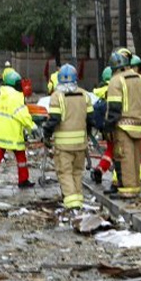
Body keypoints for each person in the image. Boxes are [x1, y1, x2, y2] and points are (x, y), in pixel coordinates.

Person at [43, 65, 94, 211]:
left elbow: (54, 119)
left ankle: (72, 203)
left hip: (63, 145)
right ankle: (78, 198)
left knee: (65, 172)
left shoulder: (56, 97)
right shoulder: (84, 95)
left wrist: (46, 135)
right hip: (81, 144)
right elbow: (90, 119)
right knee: (77, 172)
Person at [0, 71, 37, 188]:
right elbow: (23, 115)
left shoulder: (0, 97)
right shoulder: (16, 98)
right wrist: (32, 127)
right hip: (12, 133)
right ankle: (23, 180)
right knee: (21, 157)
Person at [104, 51, 141, 199]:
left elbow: (114, 108)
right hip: (139, 123)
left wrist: (108, 128)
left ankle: (128, 190)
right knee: (136, 157)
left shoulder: (116, 81)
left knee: (124, 157)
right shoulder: (139, 78)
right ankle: (135, 186)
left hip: (123, 125)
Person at [91, 67, 114, 186]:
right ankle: (118, 178)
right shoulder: (117, 86)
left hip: (105, 127)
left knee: (111, 150)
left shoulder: (98, 91)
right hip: (116, 124)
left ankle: (100, 168)